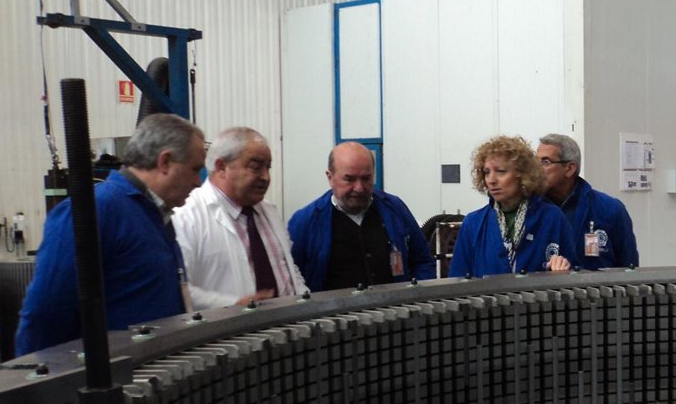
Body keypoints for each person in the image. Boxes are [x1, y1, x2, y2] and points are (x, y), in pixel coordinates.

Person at [15, 114, 207, 354]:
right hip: (112, 371)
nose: (198, 182)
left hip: (151, 368)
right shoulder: (96, 210)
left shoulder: (156, 216)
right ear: (165, 162)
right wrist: (36, 374)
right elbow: (46, 312)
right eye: (195, 170)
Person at [175, 126, 306, 308]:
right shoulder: (186, 216)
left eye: (268, 168)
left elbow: (287, 267)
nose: (266, 177)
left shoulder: (268, 211)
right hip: (230, 324)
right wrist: (235, 305)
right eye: (255, 167)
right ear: (221, 167)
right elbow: (181, 290)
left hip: (290, 321)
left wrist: (304, 298)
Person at [288, 142, 435, 291]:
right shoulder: (305, 222)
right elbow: (292, 280)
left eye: (366, 178)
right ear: (330, 177)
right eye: (349, 179)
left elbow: (423, 261)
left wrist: (417, 295)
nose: (359, 188)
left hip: (396, 304)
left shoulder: (395, 209)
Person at [449, 135, 577, 277]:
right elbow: (458, 279)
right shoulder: (474, 223)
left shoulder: (552, 217)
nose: (491, 180)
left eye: (501, 171)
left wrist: (563, 265)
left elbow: (575, 270)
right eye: (486, 172)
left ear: (522, 174)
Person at [537, 133, 639, 270]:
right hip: (545, 284)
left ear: (570, 168)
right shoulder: (530, 210)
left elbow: (630, 268)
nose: (536, 169)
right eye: (535, 162)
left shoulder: (610, 210)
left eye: (546, 162)